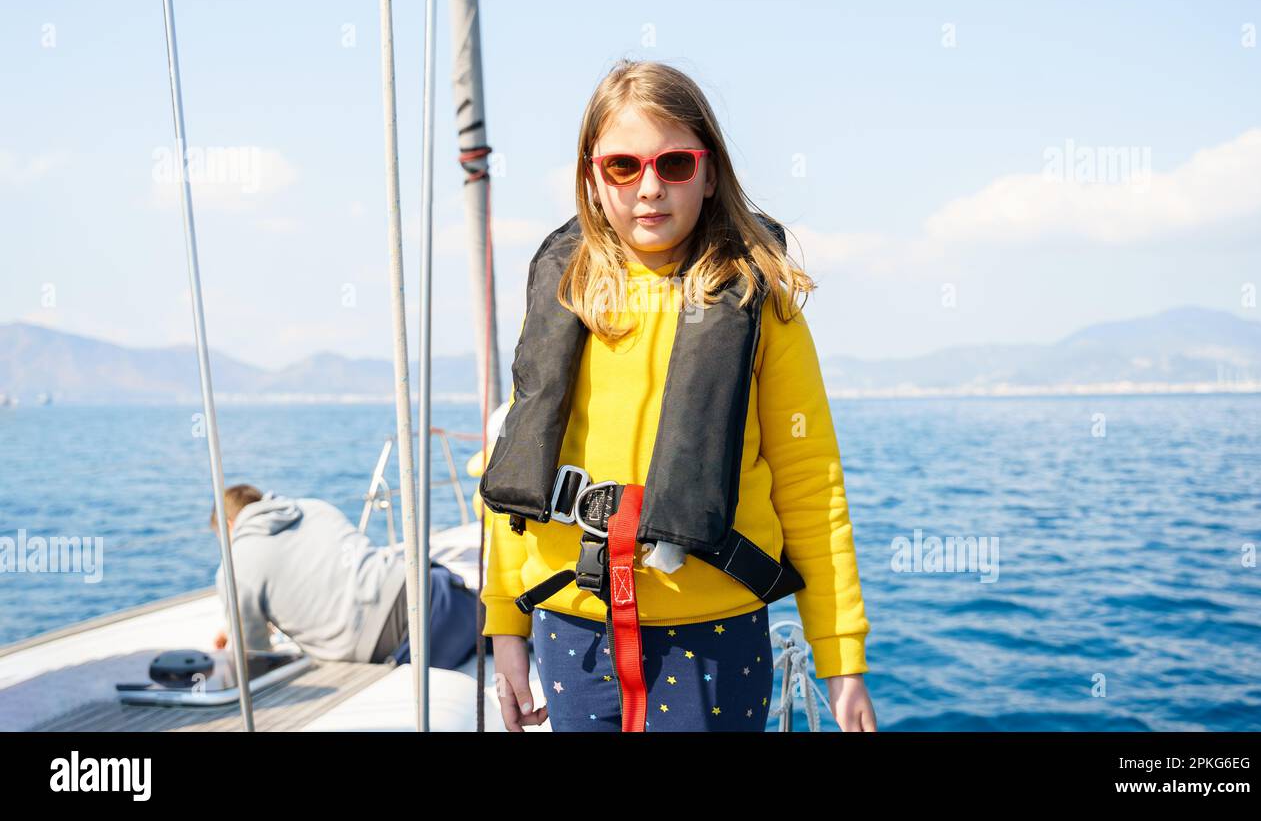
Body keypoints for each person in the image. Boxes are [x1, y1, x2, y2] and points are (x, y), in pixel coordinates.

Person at [478, 59, 877, 732]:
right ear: (591, 177)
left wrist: (841, 661)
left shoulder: (760, 302)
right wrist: (505, 628)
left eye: (676, 165)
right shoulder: (566, 293)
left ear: (710, 171)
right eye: (623, 167)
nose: (650, 189)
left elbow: (812, 484)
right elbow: (515, 465)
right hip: (572, 633)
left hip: (713, 636)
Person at [211, 484, 477, 669]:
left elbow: (254, 658)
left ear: (229, 526)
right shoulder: (312, 508)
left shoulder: (234, 565)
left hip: (400, 641)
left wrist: (239, 630)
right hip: (435, 593)